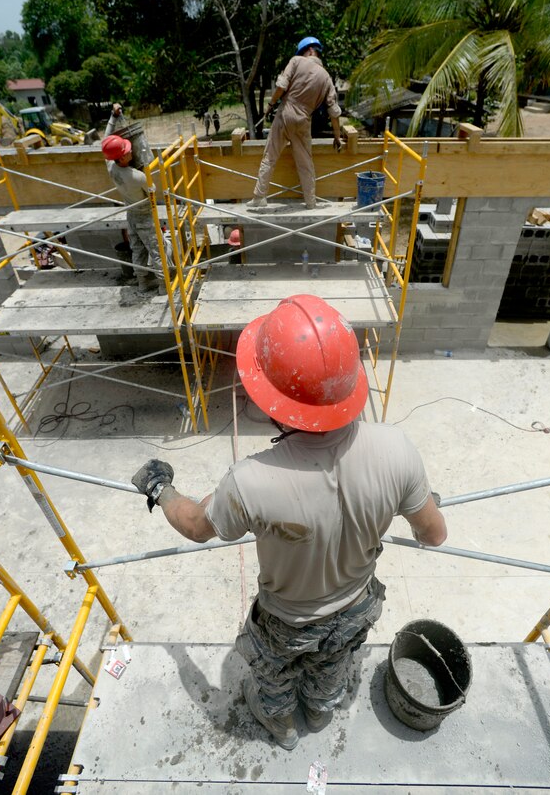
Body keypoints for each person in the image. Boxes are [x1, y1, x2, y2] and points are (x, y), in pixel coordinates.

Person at [131, 294, 447, 752]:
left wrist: (161, 489)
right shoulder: (398, 450)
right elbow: (433, 533)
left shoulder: (251, 481)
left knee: (274, 677)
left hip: (287, 621)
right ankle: (319, 712)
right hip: (356, 604)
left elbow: (198, 525)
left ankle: (281, 726)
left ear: (272, 400)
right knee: (331, 665)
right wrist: (415, 499)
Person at [251, 37, 343, 210]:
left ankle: (259, 196)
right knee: (305, 164)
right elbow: (334, 112)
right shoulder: (326, 78)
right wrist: (337, 137)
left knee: (270, 156)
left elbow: (281, 86)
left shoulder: (296, 61)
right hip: (303, 120)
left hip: (285, 112)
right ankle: (310, 202)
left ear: (308, 50)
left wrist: (270, 105)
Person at [101, 103, 167, 294]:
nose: (131, 151)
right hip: (145, 215)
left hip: (131, 214)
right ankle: (164, 288)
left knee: (137, 249)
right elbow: (152, 192)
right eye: (127, 150)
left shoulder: (111, 167)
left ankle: (143, 283)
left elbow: (106, 140)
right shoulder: (138, 177)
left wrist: (113, 117)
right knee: (157, 251)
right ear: (121, 158)